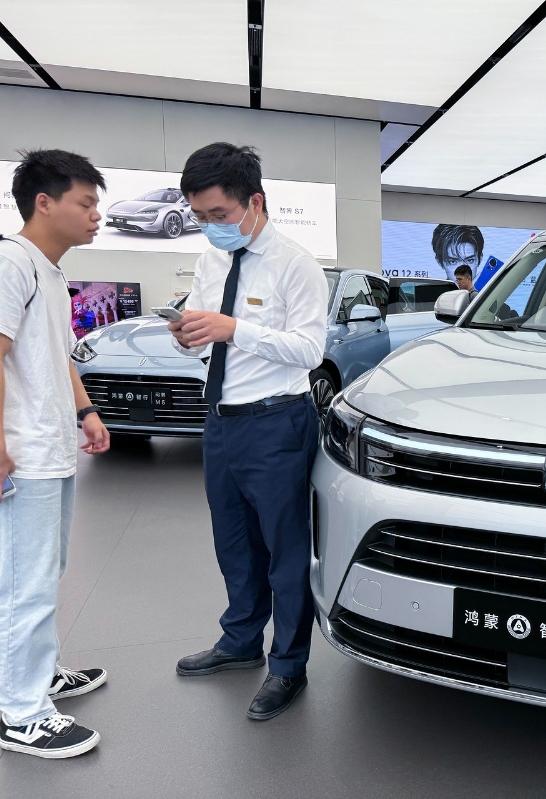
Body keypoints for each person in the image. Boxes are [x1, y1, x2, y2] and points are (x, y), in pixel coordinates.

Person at [166, 143, 327, 721]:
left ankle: (288, 666)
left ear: (254, 202)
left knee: (285, 549)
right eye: (200, 216)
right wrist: (187, 334)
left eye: (219, 215)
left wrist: (235, 328)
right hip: (221, 421)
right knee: (233, 541)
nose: (210, 226)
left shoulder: (295, 264)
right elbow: (203, 332)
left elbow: (310, 349)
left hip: (277, 422)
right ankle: (240, 641)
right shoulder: (211, 260)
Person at [0, 149, 111, 759]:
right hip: (18, 455)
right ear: (44, 202)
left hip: (50, 448)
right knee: (21, 584)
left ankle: (39, 675)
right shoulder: (7, 262)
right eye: (86, 203)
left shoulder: (50, 273)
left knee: (45, 572)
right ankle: (22, 715)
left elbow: (55, 356)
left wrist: (85, 411)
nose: (96, 216)